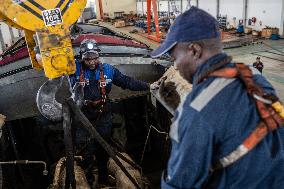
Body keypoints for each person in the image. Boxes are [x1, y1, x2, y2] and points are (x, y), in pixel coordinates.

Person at [151, 6, 284, 189]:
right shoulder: (254, 77)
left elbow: (178, 184)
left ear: (195, 50)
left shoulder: (193, 112)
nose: (176, 66)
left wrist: (184, 116)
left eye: (175, 57)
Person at [69, 39, 149, 186]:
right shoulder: (73, 70)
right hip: (82, 116)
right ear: (82, 57)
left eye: (95, 58)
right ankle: (88, 179)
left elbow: (127, 82)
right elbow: (59, 82)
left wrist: (149, 86)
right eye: (88, 58)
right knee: (84, 150)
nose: (92, 62)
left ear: (99, 56)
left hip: (103, 114)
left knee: (103, 148)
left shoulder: (108, 70)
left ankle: (103, 179)